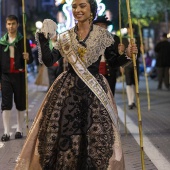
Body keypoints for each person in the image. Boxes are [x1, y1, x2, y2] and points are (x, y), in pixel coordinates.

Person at [15, 0, 138, 169]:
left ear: (92, 10)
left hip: (94, 92)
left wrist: (127, 56)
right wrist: (44, 39)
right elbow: (50, 61)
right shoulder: (66, 36)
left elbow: (114, 62)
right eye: (74, 6)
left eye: (82, 6)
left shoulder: (103, 36)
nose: (77, 10)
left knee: (95, 135)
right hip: (68, 92)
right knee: (66, 133)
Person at [0, 15, 33, 141]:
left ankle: (19, 129)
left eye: (13, 24)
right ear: (6, 25)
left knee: (20, 103)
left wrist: (27, 57)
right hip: (6, 76)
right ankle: (7, 132)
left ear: (17, 25)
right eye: (8, 24)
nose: (11, 26)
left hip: (19, 75)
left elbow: (31, 61)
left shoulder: (23, 41)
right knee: (5, 104)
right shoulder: (2, 42)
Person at [93, 15, 120, 96]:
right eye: (98, 25)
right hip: (95, 70)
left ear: (106, 27)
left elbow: (117, 57)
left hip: (109, 70)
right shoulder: (91, 39)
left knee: (109, 94)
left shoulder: (114, 38)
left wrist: (121, 52)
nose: (100, 27)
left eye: (103, 25)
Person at [122, 23, 141, 109]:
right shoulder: (123, 39)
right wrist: (121, 65)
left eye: (131, 28)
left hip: (136, 63)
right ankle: (130, 102)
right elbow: (122, 52)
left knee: (135, 82)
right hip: (127, 64)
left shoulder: (137, 38)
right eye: (128, 28)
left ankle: (133, 100)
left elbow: (140, 50)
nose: (130, 30)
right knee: (128, 82)